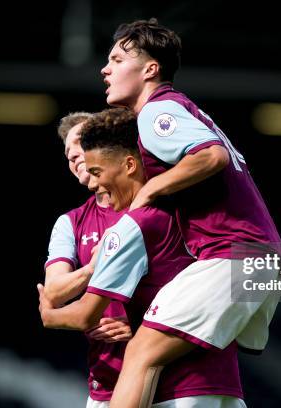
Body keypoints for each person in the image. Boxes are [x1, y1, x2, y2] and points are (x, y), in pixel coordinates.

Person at [100, 19, 281, 408]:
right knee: (199, 371)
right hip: (252, 256)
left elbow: (210, 156)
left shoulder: (157, 112)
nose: (106, 69)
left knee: (141, 354)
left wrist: (150, 187)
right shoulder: (182, 110)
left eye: (117, 59)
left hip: (233, 255)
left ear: (150, 69)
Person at [39, 107, 246, 408]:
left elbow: (84, 312)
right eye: (73, 156)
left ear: (126, 160)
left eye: (93, 161)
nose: (87, 170)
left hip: (178, 387)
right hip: (170, 379)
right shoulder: (179, 208)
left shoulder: (137, 223)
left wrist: (50, 315)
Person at [42, 111, 132, 408]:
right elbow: (53, 292)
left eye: (80, 143)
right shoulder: (70, 223)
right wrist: (94, 268)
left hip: (172, 374)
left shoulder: (152, 209)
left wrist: (147, 325)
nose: (74, 156)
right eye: (68, 154)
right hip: (106, 381)